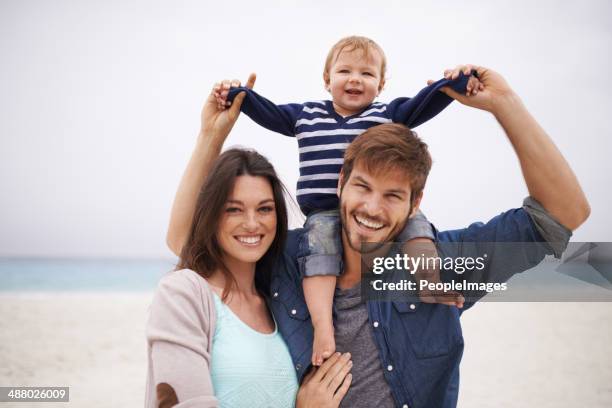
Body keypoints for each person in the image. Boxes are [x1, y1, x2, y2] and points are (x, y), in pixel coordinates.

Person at [167, 64, 590, 407]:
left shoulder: (443, 264)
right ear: (340, 185)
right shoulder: (289, 262)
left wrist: (505, 105)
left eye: (393, 195)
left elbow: (563, 214)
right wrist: (211, 135)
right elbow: (188, 241)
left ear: (415, 202)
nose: (371, 208)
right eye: (363, 187)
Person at [214, 36, 478, 365]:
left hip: (376, 210)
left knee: (417, 226)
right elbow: (269, 113)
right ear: (327, 80)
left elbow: (425, 102)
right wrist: (241, 96)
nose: (355, 79)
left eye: (367, 74)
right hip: (324, 212)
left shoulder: (388, 114)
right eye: (344, 71)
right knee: (319, 258)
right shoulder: (305, 115)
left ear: (380, 85)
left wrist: (453, 82)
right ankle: (323, 327)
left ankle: (429, 280)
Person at [145, 88, 353, 407]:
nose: (253, 224)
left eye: (265, 209)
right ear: (211, 215)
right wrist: (210, 136)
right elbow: (181, 239)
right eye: (233, 209)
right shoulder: (185, 294)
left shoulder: (279, 296)